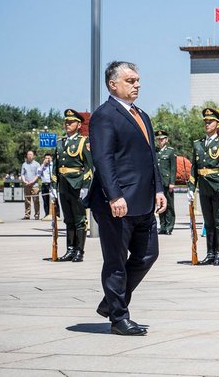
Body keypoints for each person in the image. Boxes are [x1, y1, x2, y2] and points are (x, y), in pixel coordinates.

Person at [88, 61, 166, 336]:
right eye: (131, 80)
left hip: (143, 201)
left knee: (148, 254)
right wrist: (114, 196)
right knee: (116, 262)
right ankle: (119, 318)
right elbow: (103, 159)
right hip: (116, 204)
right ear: (113, 84)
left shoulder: (141, 115)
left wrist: (159, 189)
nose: (137, 85)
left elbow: (150, 157)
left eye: (138, 80)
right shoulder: (104, 116)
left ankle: (111, 302)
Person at [187, 108, 219, 266]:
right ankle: (210, 254)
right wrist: (191, 188)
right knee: (208, 222)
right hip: (204, 188)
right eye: (205, 121)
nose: (207, 124)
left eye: (210, 121)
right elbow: (194, 169)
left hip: (218, 187)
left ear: (217, 123)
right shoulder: (197, 144)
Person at [52, 110, 93, 262]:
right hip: (63, 184)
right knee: (68, 219)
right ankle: (70, 249)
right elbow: (55, 167)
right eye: (66, 122)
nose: (67, 125)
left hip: (77, 184)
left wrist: (85, 186)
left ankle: (79, 251)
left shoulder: (83, 142)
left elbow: (89, 167)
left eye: (71, 122)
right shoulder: (60, 142)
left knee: (79, 219)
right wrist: (53, 187)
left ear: (78, 124)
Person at [154, 130, 177, 235]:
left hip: (167, 182)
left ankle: (169, 226)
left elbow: (173, 168)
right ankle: (162, 226)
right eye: (158, 139)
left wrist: (172, 182)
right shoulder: (155, 151)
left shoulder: (170, 151)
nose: (160, 141)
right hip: (158, 183)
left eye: (162, 139)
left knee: (169, 205)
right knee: (160, 204)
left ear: (166, 139)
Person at [20, 150, 41, 220]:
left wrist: (32, 181)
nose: (29, 156)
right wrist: (24, 181)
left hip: (35, 185)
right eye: (28, 154)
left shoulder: (37, 164)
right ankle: (27, 215)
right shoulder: (24, 164)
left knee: (36, 201)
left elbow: (38, 175)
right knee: (27, 201)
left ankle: (37, 215)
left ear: (33, 156)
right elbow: (22, 174)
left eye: (31, 154)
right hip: (26, 185)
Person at [38, 154, 56, 220]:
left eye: (49, 158)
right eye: (46, 158)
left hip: (51, 184)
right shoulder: (43, 166)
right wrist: (43, 165)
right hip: (44, 184)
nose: (47, 159)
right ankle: (47, 214)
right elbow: (38, 173)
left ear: (51, 158)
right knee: (45, 200)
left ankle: (56, 214)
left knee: (53, 200)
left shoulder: (53, 165)